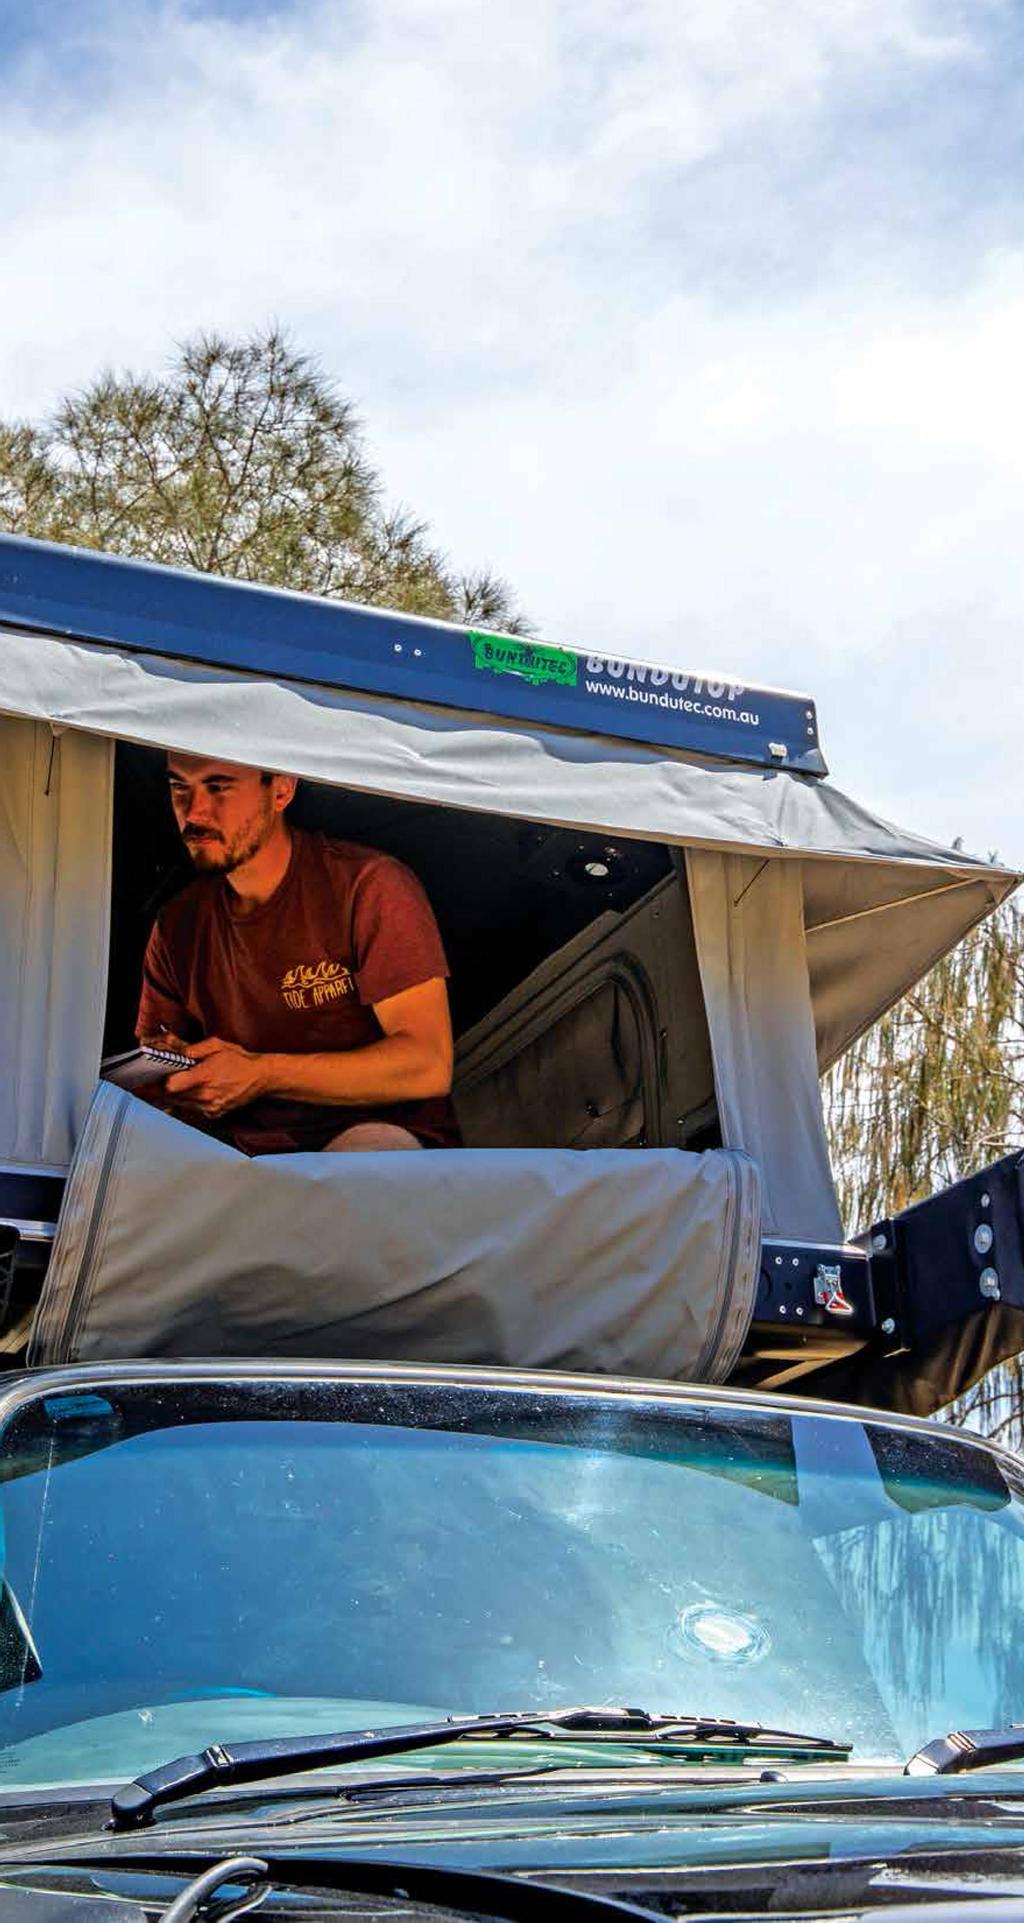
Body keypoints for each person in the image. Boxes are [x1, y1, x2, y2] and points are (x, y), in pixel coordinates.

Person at [136, 752, 458, 1154]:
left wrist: (263, 1073)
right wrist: (177, 1070)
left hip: (370, 1140)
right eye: (179, 787)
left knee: (374, 1152)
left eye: (219, 787)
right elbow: (149, 1078)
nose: (195, 811)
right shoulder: (176, 925)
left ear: (282, 789)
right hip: (237, 1159)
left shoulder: (368, 885)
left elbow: (427, 1064)